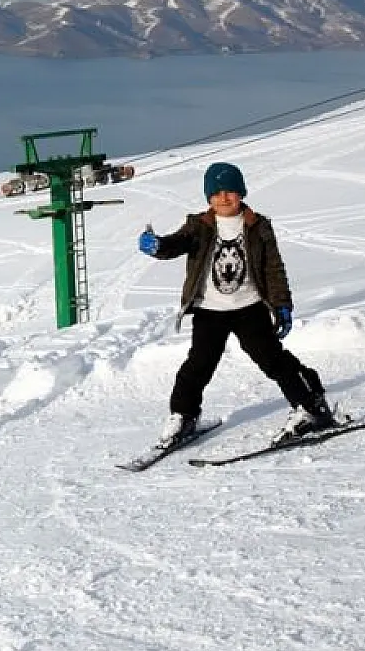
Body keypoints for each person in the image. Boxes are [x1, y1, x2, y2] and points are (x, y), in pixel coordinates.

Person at [139, 161, 335, 445]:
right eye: (216, 193)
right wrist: (158, 245)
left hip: (250, 308)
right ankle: (183, 417)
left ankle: (310, 406)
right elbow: (177, 242)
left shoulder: (257, 226)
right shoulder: (199, 225)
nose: (224, 198)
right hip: (210, 311)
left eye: (230, 191)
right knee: (198, 366)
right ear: (209, 198)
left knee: (272, 360)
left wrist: (282, 305)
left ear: (241, 193)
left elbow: (273, 268)